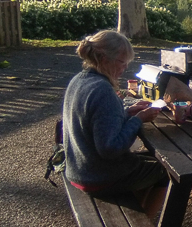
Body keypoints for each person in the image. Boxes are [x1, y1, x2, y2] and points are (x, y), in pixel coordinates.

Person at [62, 30, 167, 215]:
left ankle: (137, 212)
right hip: (97, 177)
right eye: (122, 62)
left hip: (78, 169)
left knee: (150, 160)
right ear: (104, 59)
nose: (125, 67)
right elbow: (110, 148)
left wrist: (125, 113)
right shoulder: (103, 91)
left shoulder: (79, 80)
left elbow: (96, 122)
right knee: (165, 171)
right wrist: (138, 119)